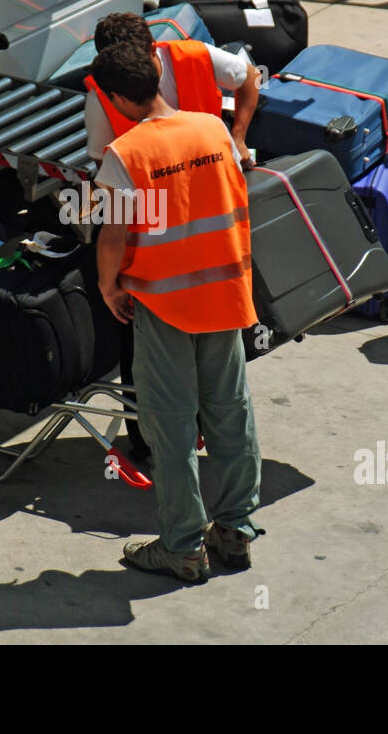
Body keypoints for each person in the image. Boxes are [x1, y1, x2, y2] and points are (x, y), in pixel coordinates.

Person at [92, 41, 263, 584]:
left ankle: (184, 547)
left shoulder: (127, 154)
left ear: (117, 97)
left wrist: (108, 285)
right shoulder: (213, 128)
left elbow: (113, 234)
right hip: (226, 296)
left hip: (166, 304)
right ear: (159, 70)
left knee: (170, 427)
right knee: (230, 415)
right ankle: (235, 531)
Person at [83, 12, 260, 165]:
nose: (130, 69)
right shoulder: (101, 96)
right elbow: (104, 163)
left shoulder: (194, 56)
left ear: (153, 48)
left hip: (211, 159)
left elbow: (251, 77)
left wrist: (238, 138)